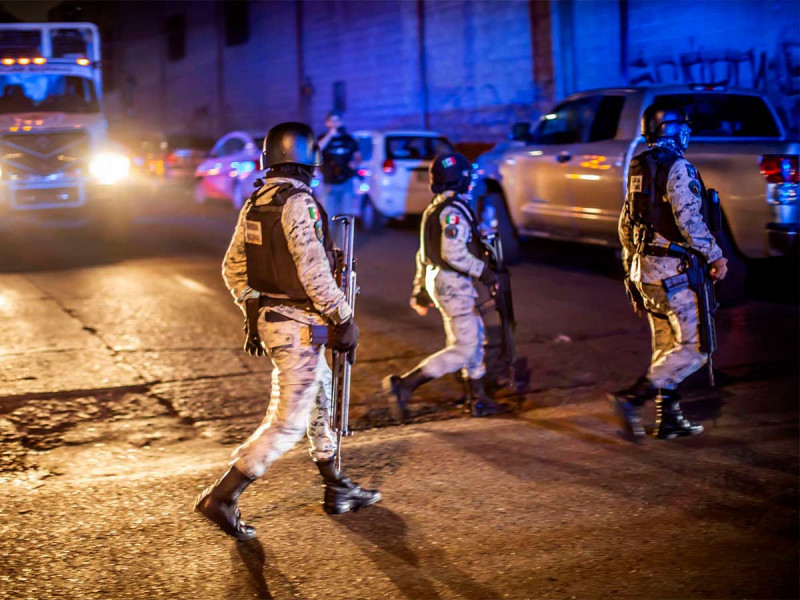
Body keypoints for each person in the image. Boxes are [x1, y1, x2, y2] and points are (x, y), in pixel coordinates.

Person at [195, 122, 380, 541]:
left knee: (321, 399)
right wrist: (344, 319)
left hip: (281, 324)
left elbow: (232, 270)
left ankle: (336, 486)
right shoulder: (299, 203)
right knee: (288, 422)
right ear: (307, 161)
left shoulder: (257, 201)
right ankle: (223, 496)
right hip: (297, 327)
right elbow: (314, 273)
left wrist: (256, 307)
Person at [613, 103, 728, 440]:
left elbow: (625, 226)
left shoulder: (639, 168)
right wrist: (716, 256)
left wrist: (630, 275)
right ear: (671, 130)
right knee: (696, 348)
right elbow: (689, 221)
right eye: (683, 127)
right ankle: (633, 398)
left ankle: (670, 419)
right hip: (674, 274)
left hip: (645, 273)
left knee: (666, 348)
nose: (687, 133)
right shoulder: (679, 168)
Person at [383, 152, 511, 420]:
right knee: (464, 347)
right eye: (469, 177)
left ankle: (478, 399)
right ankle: (404, 385)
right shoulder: (453, 212)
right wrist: (485, 273)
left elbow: (422, 254)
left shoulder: (436, 207)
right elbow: (453, 254)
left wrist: (419, 289)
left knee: (473, 336)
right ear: (461, 179)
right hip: (452, 283)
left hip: (439, 280)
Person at [318, 110, 361, 239]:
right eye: (332, 120)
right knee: (328, 217)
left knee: (346, 217)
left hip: (346, 182)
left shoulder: (348, 139)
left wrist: (354, 164)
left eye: (338, 120)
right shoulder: (323, 138)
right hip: (329, 184)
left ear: (341, 122)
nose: (335, 123)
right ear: (327, 122)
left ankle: (343, 249)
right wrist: (331, 135)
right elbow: (317, 149)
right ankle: (328, 246)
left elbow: (357, 155)